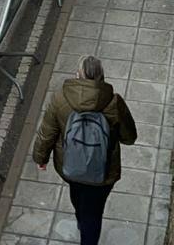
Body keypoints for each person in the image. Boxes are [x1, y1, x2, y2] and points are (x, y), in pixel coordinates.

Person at [32, 55, 137, 245]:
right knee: (94, 212)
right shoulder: (114, 102)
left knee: (77, 195)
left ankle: (81, 219)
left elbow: (47, 133)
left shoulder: (60, 99)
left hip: (71, 167)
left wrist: (41, 158)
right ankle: (87, 226)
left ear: (77, 75)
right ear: (102, 77)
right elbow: (129, 138)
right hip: (103, 173)